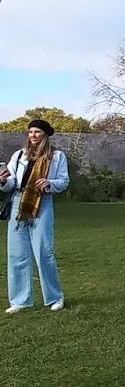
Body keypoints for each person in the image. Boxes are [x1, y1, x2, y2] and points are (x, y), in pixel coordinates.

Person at [0, 117, 69, 312]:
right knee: (17, 254)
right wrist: (4, 181)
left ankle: (55, 297)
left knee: (44, 252)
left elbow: (64, 182)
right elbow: (12, 182)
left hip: (43, 203)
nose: (33, 135)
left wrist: (50, 184)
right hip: (18, 204)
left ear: (45, 135)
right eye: (30, 132)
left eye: (37, 132)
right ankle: (20, 300)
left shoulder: (57, 156)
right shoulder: (19, 155)